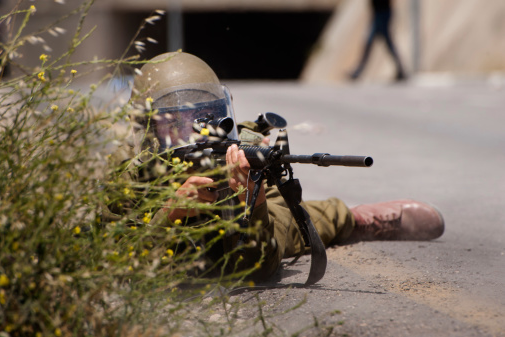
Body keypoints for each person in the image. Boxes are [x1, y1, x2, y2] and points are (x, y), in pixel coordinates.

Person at [116, 51, 443, 281]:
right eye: (174, 125)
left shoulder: (227, 159)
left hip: (240, 217)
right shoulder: (126, 179)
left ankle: (352, 219)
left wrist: (252, 200)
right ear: (146, 131)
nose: (194, 136)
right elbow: (113, 263)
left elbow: (259, 269)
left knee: (290, 222)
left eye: (202, 120)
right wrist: (169, 213)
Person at [350, 0, 406, 81]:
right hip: (378, 13)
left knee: (371, 42)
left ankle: (358, 71)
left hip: (383, 13)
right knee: (385, 43)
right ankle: (401, 70)